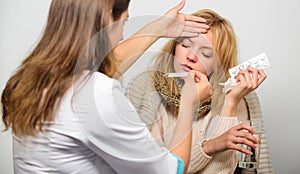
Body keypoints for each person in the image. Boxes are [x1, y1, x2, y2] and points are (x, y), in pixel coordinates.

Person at [0, 0, 212, 173]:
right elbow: (170, 170)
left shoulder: (30, 80)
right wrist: (188, 105)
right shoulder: (98, 93)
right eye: (124, 23)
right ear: (107, 20)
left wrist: (158, 28)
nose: (121, 36)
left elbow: (103, 66)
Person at [126, 9, 274, 173]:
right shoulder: (146, 89)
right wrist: (209, 147)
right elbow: (154, 169)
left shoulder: (239, 95)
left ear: (219, 64)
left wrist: (230, 103)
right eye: (185, 44)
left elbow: (223, 170)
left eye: (206, 53)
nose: (191, 56)